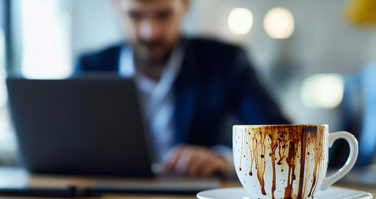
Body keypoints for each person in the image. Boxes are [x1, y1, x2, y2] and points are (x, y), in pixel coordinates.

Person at [74, 0, 289, 177]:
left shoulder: (225, 61)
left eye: (163, 15)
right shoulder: (89, 67)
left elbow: (285, 141)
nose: (151, 32)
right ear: (115, 7)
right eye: (136, 16)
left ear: (186, 5)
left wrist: (223, 161)